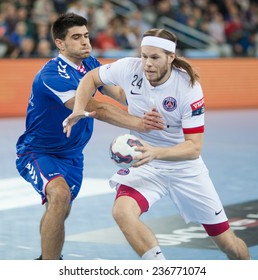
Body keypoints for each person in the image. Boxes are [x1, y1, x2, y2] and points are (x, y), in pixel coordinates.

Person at [63, 28, 251, 260]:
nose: (147, 64)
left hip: (184, 167)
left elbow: (194, 148)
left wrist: (156, 152)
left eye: (155, 58)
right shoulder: (129, 68)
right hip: (146, 163)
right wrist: (79, 107)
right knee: (122, 212)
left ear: (171, 57)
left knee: (229, 244)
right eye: (144, 56)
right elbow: (91, 77)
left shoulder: (188, 88)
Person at [15, 13, 164, 260]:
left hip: (73, 155)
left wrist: (151, 94)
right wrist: (141, 124)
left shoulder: (90, 64)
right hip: (39, 152)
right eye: (76, 37)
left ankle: (44, 259)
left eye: (86, 35)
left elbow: (118, 93)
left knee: (59, 209)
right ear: (60, 43)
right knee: (59, 196)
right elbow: (98, 109)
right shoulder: (52, 75)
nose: (85, 42)